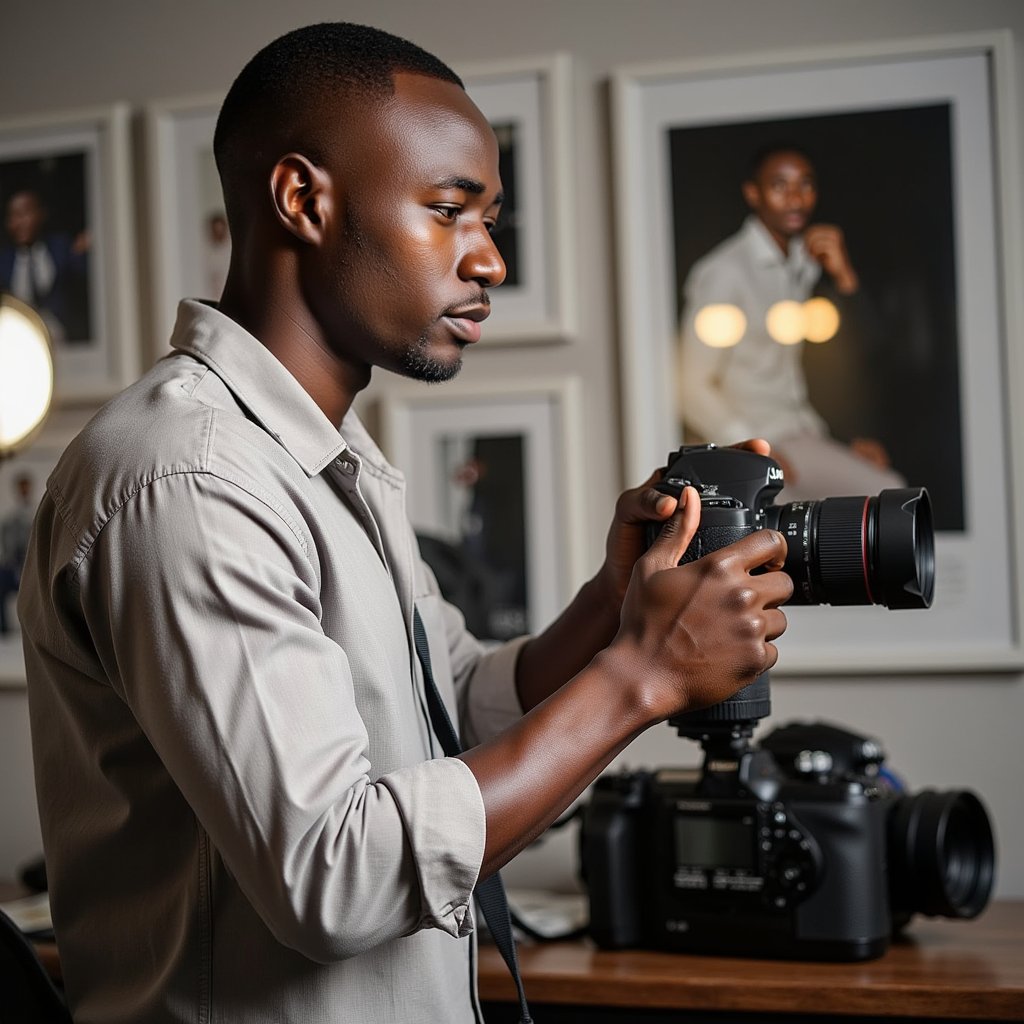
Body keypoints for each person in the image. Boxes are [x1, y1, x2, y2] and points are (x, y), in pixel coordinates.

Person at [18, 23, 792, 1024]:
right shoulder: (190, 479)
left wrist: (614, 607)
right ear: (304, 199)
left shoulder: (324, 460)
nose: (492, 261)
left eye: (490, 218)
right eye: (447, 211)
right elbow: (332, 875)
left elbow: (454, 711)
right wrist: (643, 674)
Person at [678, 143, 904, 500]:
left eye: (806, 185)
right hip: (750, 441)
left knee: (890, 499)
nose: (796, 198)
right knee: (801, 527)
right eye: (780, 186)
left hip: (804, 429)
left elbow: (865, 355)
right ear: (753, 193)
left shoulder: (808, 262)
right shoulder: (724, 273)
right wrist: (751, 449)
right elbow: (692, 386)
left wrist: (844, 278)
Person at [0, 186, 91, 343]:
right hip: (17, 337)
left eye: (25, 213)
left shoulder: (63, 247)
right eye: (14, 216)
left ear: (41, 214)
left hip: (62, 335)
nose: (20, 222)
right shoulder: (4, 261)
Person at [0, 472, 34, 635]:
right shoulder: (10, 515)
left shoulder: (35, 511)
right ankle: (4, 627)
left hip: (33, 562)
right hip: (15, 562)